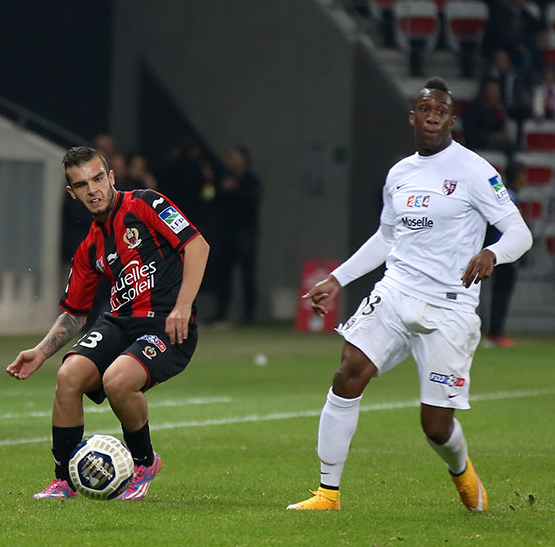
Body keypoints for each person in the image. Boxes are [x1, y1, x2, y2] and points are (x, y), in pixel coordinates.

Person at [287, 77, 532, 511]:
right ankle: (327, 494)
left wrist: (492, 252)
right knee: (348, 373)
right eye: (425, 110)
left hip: (449, 307)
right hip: (396, 292)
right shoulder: (399, 174)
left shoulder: (475, 171)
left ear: (451, 121)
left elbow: (520, 232)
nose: (433, 117)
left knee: (435, 426)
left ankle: (462, 471)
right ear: (413, 117)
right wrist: (338, 279)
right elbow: (386, 237)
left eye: (441, 111)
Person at [6, 146, 210, 501]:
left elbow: (197, 246)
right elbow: (75, 312)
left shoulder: (146, 204)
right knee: (68, 376)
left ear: (111, 177)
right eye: (82, 184)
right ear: (72, 192)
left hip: (166, 325)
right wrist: (41, 351)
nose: (93, 189)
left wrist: (182, 306)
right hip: (119, 322)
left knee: (118, 380)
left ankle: (144, 463)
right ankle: (64, 479)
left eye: (98, 178)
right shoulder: (89, 246)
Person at [208, 145, 263, 326]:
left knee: (247, 275)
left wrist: (234, 190)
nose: (231, 160)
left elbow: (252, 202)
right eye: (229, 157)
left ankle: (249, 315)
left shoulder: (251, 181)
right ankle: (220, 312)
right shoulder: (221, 178)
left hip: (245, 234)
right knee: (222, 274)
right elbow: (211, 199)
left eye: (235, 157)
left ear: (244, 160)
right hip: (224, 233)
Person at [483, 158, 527, 347]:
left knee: (499, 293)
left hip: (497, 250)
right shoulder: (509, 197)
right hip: (504, 252)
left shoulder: (505, 194)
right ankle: (495, 333)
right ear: (518, 176)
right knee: (501, 293)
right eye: (524, 175)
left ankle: (495, 332)